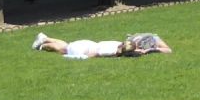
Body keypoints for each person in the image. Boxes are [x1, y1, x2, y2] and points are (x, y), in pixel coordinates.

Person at [32, 31, 171, 58]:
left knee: (66, 46)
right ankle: (43, 45)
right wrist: (85, 58)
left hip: (88, 43)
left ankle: (45, 38)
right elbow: (95, 54)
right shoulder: (111, 52)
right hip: (86, 48)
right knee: (62, 49)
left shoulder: (117, 43)